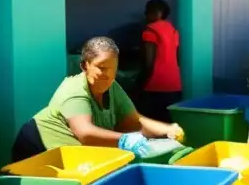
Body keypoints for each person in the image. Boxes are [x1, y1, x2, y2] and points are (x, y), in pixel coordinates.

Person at [12, 36, 183, 162]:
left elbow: (133, 121)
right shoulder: (74, 90)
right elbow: (85, 133)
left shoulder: (113, 87)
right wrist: (124, 140)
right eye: (101, 68)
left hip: (74, 153)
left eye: (113, 69)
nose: (107, 75)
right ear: (84, 66)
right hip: (38, 148)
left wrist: (167, 129)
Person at [137, 0, 182, 123]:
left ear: (157, 12)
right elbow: (177, 58)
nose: (145, 15)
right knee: (169, 124)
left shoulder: (150, 31)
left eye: (147, 11)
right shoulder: (173, 31)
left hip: (155, 85)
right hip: (174, 83)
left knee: (151, 123)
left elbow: (149, 63)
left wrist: (139, 84)